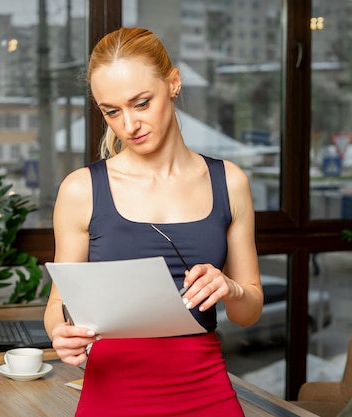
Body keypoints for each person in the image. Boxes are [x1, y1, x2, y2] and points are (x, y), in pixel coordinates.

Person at [44, 26, 264, 417]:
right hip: (113, 395)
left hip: (207, 391)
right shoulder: (81, 190)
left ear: (173, 84)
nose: (129, 126)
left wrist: (230, 288)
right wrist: (61, 332)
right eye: (112, 112)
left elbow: (248, 313)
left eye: (141, 103)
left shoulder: (229, 182)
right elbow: (60, 304)